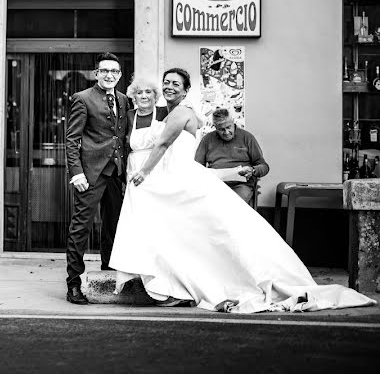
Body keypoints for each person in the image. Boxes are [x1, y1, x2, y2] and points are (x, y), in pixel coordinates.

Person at [110, 68, 375, 313]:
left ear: (186, 90)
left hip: (182, 181)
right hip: (176, 181)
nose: (169, 87)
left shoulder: (181, 112)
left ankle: (213, 282)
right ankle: (178, 284)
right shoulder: (170, 113)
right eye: (166, 82)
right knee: (189, 236)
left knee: (212, 232)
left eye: (175, 84)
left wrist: (144, 171)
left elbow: (164, 144)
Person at [64, 52, 131, 305]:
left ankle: (108, 273)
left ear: (120, 75)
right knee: (80, 228)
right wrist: (76, 173)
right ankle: (73, 284)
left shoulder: (124, 100)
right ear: (96, 73)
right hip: (89, 174)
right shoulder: (82, 99)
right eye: (104, 71)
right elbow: (72, 140)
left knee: (113, 226)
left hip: (116, 172)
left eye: (114, 71)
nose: (109, 75)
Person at [195, 107, 269, 206]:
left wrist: (253, 170)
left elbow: (264, 166)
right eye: (221, 129)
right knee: (206, 204)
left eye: (228, 127)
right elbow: (197, 166)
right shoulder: (207, 139)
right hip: (215, 184)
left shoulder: (247, 137)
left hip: (241, 185)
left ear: (233, 122)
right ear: (215, 127)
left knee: (232, 205)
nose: (226, 132)